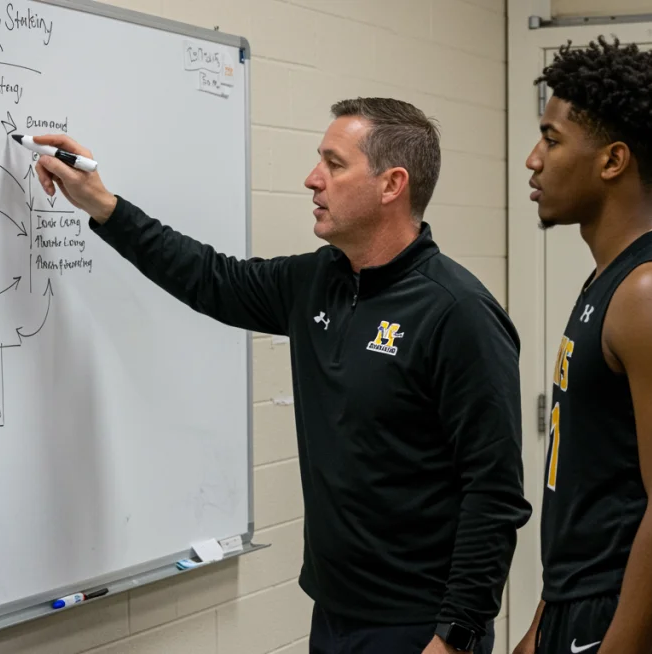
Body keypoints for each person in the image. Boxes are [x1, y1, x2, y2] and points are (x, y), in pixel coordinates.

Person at [32, 97, 531, 653]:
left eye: (334, 164)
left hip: (419, 628)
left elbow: (494, 494)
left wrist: (456, 637)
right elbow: (209, 278)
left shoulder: (457, 313)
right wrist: (103, 205)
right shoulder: (319, 281)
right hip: (334, 613)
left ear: (392, 185)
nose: (311, 180)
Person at [515, 36, 652, 654]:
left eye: (552, 140)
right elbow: (595, 493)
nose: (533, 159)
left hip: (639, 619)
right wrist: (542, 624)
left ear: (612, 162)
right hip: (581, 606)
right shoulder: (612, 279)